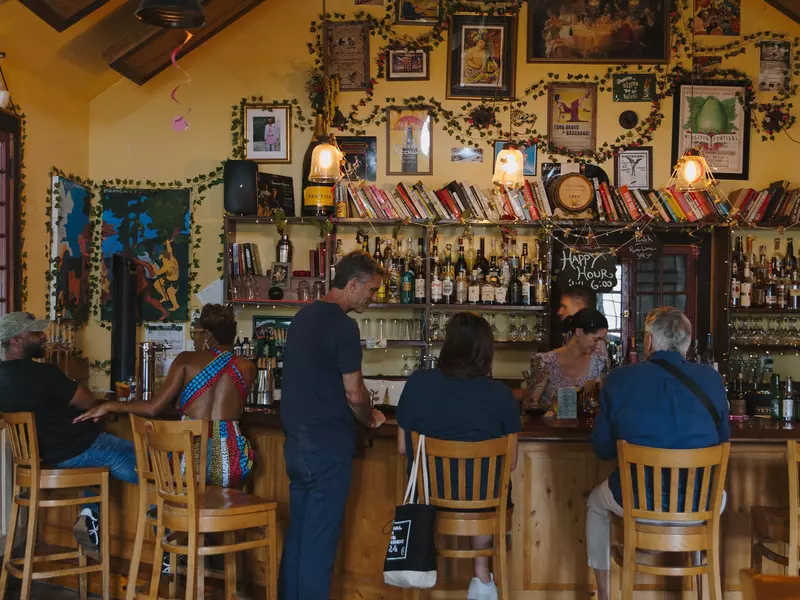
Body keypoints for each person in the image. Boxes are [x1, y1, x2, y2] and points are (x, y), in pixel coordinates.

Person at [586, 307, 730, 600]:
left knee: (595, 505)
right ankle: (705, 590)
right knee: (719, 493)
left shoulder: (619, 379)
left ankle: (604, 596)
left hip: (637, 501)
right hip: (699, 504)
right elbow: (723, 439)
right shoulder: (712, 380)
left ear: (648, 340)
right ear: (688, 342)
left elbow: (602, 450)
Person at [278, 250, 387, 600]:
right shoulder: (343, 325)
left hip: (296, 445)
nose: (372, 297)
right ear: (352, 283)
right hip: (327, 448)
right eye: (371, 290)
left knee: (298, 538)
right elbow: (354, 393)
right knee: (319, 545)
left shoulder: (301, 318)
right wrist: (370, 417)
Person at [396, 312, 521, 600]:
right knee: (484, 492)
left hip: (428, 503)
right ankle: (482, 578)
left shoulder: (418, 383)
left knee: (455, 488)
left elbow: (403, 448)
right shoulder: (501, 395)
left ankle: (424, 577)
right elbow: (511, 463)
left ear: (447, 345)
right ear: (487, 350)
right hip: (485, 502)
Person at [75, 304, 257, 488]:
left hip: (190, 462)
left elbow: (153, 408)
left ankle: (170, 512)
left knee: (163, 463)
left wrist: (108, 406)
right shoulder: (248, 367)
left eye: (196, 333)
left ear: (208, 335)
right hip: (232, 464)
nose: (194, 339)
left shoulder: (186, 360)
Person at [0, 312, 138, 552]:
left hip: (43, 457)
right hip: (74, 448)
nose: (44, 337)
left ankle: (89, 513)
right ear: (16, 341)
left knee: (98, 462)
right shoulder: (43, 374)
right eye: (35, 333)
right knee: (149, 465)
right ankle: (171, 534)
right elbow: (87, 401)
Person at [527, 308, 609, 406]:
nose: (599, 345)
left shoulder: (599, 362)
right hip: (550, 421)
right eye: (596, 340)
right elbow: (530, 405)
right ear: (579, 332)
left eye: (602, 340)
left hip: (587, 421)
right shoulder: (546, 362)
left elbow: (604, 404)